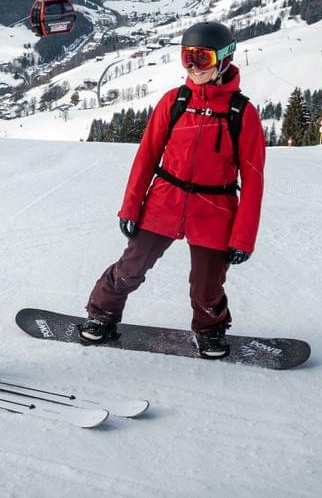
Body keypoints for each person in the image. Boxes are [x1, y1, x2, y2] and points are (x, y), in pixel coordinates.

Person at [79, 21, 266, 358]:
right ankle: (101, 315)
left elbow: (253, 181)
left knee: (206, 287)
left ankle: (209, 329)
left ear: (224, 59)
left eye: (202, 58)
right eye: (186, 57)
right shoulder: (175, 101)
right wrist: (130, 208)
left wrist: (243, 238)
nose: (192, 66)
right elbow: (146, 156)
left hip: (215, 208)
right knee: (131, 268)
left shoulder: (242, 113)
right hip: (165, 200)